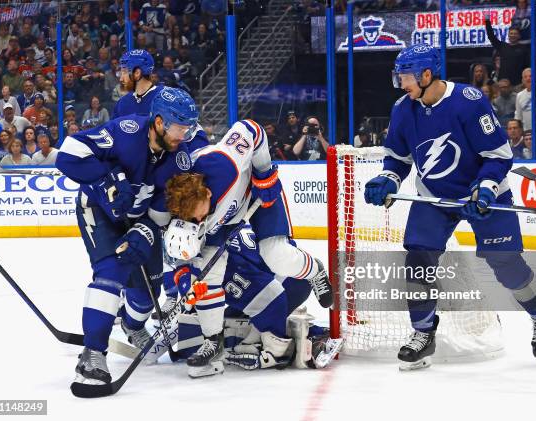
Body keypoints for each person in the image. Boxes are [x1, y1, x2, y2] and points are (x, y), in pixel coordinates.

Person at [365, 44, 536, 370]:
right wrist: (388, 178)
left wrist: (483, 190)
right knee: (418, 259)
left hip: (483, 192)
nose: (401, 83)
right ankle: (423, 332)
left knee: (505, 263)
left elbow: (498, 156)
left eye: (406, 76)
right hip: (435, 197)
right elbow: (397, 160)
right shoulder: (402, 109)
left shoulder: (468, 102)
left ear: (427, 74)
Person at [163, 118, 334, 378]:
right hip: (223, 223)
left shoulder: (223, 165)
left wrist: (264, 174)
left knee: (275, 256)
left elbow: (250, 128)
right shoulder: (186, 211)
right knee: (208, 278)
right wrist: (185, 278)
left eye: (198, 216)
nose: (197, 222)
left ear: (207, 194)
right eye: (192, 219)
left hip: (257, 194)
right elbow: (181, 254)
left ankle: (315, 271)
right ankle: (212, 342)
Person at [56, 87, 200, 386]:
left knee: (150, 292)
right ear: (158, 122)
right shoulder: (126, 130)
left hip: (140, 219)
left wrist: (143, 232)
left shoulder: (179, 160)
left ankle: (132, 323)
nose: (182, 137)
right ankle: (93, 354)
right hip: (98, 210)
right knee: (112, 271)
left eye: (188, 130)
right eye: (178, 128)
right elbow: (69, 154)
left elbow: (161, 214)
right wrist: (106, 179)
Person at [112, 49, 163, 118]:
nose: (121, 79)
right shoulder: (122, 103)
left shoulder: (164, 99)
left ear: (137, 73)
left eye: (124, 72)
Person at [485, 18, 529, 86]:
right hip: (502, 83)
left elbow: (527, 66)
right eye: (511, 33)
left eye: (515, 34)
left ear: (519, 36)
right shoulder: (502, 46)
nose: (513, 35)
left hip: (518, 84)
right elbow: (491, 37)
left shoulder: (524, 49)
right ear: (508, 35)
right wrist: (487, 22)